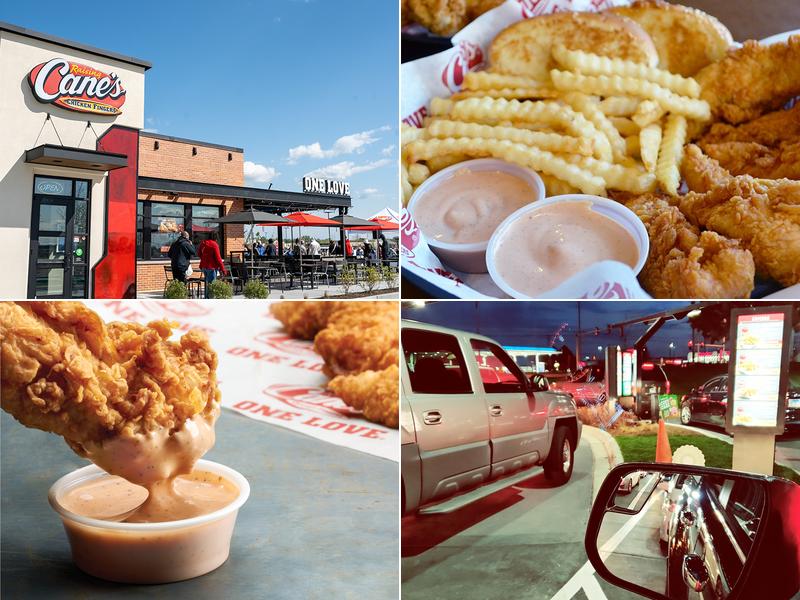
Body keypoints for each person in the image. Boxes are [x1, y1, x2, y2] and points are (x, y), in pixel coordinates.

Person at [198, 233, 227, 299]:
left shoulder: (203, 243)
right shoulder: (214, 244)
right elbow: (218, 258)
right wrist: (223, 269)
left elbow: (199, 254)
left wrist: (205, 259)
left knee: (207, 284)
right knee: (212, 285)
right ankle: (211, 300)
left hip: (204, 267)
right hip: (212, 267)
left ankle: (206, 298)